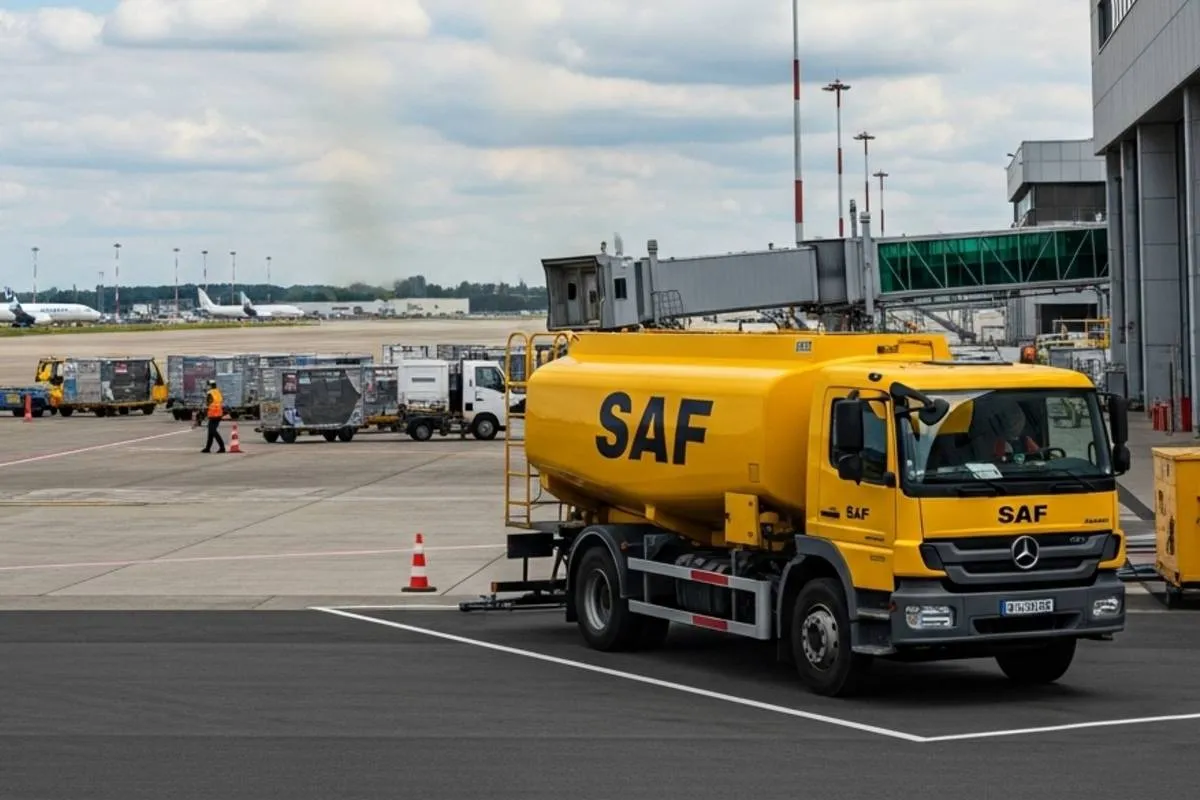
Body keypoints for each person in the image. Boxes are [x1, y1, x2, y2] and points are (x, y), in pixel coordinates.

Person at [199, 379, 225, 453]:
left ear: (210, 386)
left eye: (207, 385)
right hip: (218, 414)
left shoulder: (210, 393)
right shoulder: (217, 392)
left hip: (213, 414)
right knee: (210, 431)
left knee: (213, 431)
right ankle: (208, 448)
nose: (206, 387)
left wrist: (203, 412)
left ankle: (222, 447)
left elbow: (208, 404)